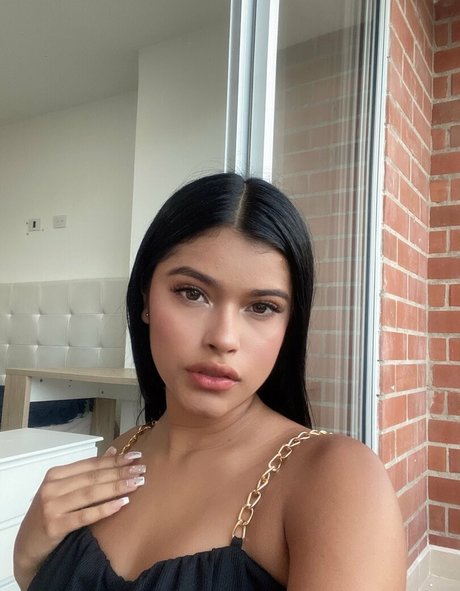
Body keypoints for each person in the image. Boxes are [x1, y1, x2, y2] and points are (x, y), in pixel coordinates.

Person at [14, 173, 406, 590]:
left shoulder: (334, 479)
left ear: (289, 325)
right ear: (146, 298)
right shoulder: (122, 452)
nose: (223, 338)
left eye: (262, 307)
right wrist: (27, 559)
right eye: (192, 293)